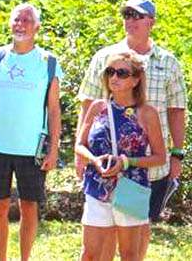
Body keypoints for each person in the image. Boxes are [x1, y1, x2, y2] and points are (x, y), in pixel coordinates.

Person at [0, 3, 63, 261]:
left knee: (29, 206)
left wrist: (53, 149)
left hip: (32, 149)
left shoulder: (49, 62)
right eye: (17, 20)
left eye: (26, 20)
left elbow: (53, 109)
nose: (20, 24)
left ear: (37, 27)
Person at [77, 0, 188, 223]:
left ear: (152, 22)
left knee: (137, 234)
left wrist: (177, 154)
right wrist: (81, 156)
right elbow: (88, 104)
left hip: (148, 167)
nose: (131, 20)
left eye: (138, 16)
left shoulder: (168, 62)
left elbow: (176, 111)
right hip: (105, 165)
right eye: (127, 15)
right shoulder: (104, 58)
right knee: (99, 237)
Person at [74, 52, 167, 261]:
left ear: (135, 80)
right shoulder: (98, 107)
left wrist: (126, 162)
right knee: (89, 254)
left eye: (122, 73)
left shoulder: (146, 113)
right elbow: (80, 145)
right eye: (110, 72)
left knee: (129, 255)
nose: (114, 77)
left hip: (131, 187)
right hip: (97, 186)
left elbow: (160, 157)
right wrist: (94, 159)